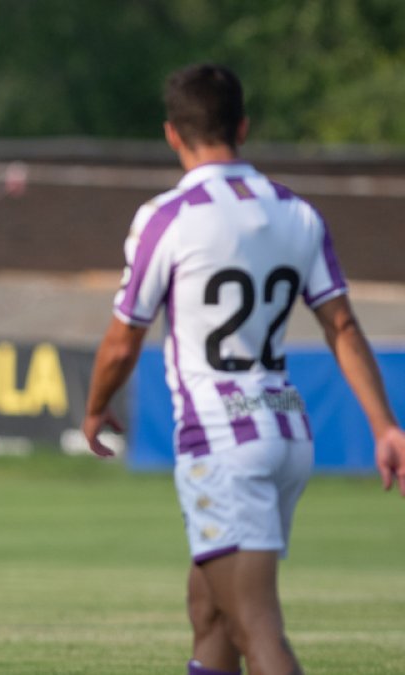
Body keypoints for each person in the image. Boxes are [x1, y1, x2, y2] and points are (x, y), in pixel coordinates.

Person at [82, 63, 405, 675]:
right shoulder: (297, 212)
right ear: (243, 127)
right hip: (286, 432)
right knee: (209, 612)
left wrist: (97, 407)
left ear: (173, 135)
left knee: (259, 630)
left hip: (223, 439)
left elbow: (123, 342)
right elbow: (341, 325)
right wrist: (386, 426)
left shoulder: (167, 217)